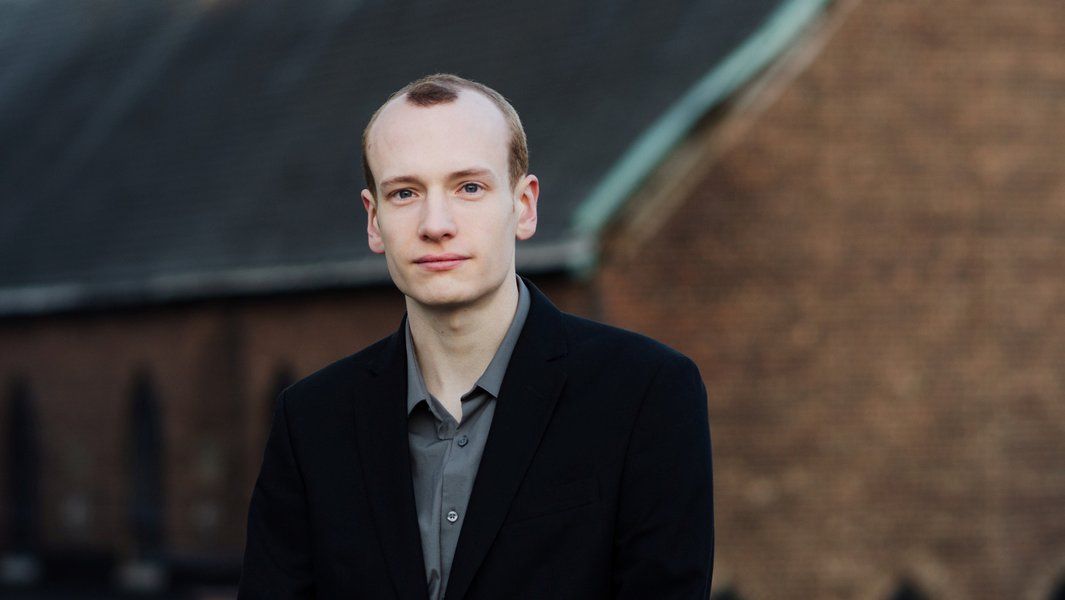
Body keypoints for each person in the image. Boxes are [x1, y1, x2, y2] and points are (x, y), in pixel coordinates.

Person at [238, 73, 714, 599]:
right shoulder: (311, 422)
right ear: (374, 221)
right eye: (404, 192)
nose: (435, 223)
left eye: (469, 187)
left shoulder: (644, 394)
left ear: (524, 206)